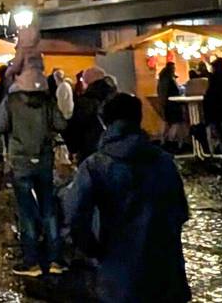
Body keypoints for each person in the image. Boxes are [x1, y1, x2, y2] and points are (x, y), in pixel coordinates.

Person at [64, 93, 191, 303]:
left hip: (119, 274)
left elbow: (75, 217)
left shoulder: (95, 166)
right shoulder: (164, 161)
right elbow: (180, 211)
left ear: (106, 123)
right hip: (165, 274)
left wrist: (94, 250)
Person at [0, 67, 67, 276]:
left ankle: (31, 262)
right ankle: (55, 260)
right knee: (49, 209)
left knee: (26, 211)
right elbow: (61, 123)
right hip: (43, 159)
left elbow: (0, 125)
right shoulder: (47, 101)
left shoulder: (12, 101)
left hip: (21, 161)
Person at [65, 66, 117, 164]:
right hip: (113, 149)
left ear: (88, 82)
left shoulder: (86, 101)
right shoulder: (116, 97)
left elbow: (77, 127)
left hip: (90, 149)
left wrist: (72, 148)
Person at [157, 61, 185, 150]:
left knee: (167, 122)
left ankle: (164, 141)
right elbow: (176, 91)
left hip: (166, 104)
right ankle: (171, 141)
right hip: (174, 104)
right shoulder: (170, 80)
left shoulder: (162, 79)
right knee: (176, 123)